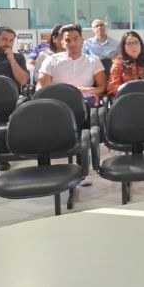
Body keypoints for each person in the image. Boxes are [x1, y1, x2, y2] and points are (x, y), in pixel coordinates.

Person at [37, 23, 106, 186]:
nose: (72, 43)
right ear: (62, 42)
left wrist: (91, 90)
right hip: (56, 106)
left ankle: (83, 168)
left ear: (82, 41)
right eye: (68, 40)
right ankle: (45, 169)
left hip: (83, 105)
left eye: (76, 39)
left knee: (87, 120)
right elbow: (41, 88)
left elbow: (102, 86)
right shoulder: (51, 60)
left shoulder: (93, 60)